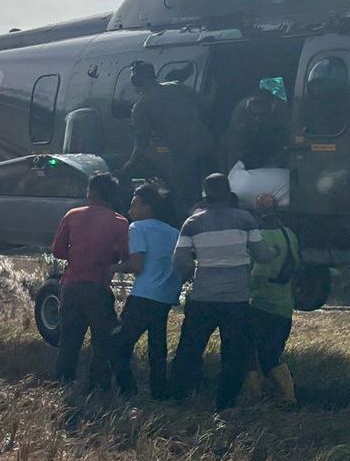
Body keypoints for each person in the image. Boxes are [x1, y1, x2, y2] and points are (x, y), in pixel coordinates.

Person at [169, 173, 275, 409]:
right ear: (228, 193)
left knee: (190, 348)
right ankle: (225, 402)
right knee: (234, 353)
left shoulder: (192, 223)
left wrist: (193, 271)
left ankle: (178, 396)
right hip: (236, 299)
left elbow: (179, 261)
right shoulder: (245, 219)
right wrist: (275, 252)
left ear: (205, 195)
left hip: (203, 296)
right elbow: (262, 255)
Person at [51, 172, 129, 390]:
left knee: (69, 339)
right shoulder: (119, 222)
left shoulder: (72, 215)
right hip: (98, 287)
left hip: (71, 285)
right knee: (102, 340)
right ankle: (98, 385)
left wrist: (77, 256)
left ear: (91, 192)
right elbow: (126, 256)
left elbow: (57, 250)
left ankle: (64, 383)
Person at [109, 182, 182, 399]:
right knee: (157, 348)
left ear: (148, 207)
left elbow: (136, 265)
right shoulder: (174, 231)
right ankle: (160, 392)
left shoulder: (137, 228)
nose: (130, 211)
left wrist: (111, 267)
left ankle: (128, 390)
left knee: (118, 345)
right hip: (166, 296)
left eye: (134, 205)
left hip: (144, 295)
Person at [120, 60, 218, 214]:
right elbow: (206, 107)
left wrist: (129, 165)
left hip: (184, 154)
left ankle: (188, 227)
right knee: (214, 192)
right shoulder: (178, 86)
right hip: (208, 146)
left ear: (137, 80)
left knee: (184, 198)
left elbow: (141, 142)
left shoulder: (142, 105)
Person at [241, 192, 300, 405]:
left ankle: (255, 398)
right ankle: (289, 397)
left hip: (260, 303)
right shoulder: (289, 235)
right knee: (272, 355)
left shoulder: (257, 237)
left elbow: (248, 269)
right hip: (284, 306)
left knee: (247, 353)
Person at [220, 89, 289, 170]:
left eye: (261, 114)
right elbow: (233, 143)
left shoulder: (280, 112)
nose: (257, 118)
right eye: (254, 114)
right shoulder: (240, 115)